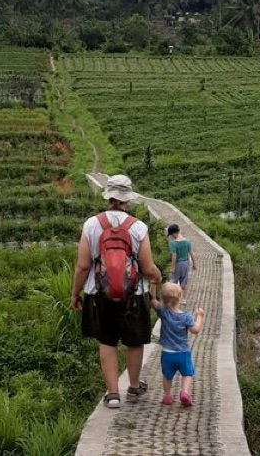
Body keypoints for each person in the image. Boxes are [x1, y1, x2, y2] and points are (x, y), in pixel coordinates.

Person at [71, 174, 162, 409]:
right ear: (127, 199)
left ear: (108, 196)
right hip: (134, 293)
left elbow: (83, 265)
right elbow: (146, 266)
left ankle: (112, 394)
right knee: (134, 341)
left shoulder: (91, 224)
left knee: (107, 341)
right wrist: (157, 276)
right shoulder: (138, 227)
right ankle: (133, 386)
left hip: (99, 293)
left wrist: (75, 293)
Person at [150, 282, 205, 407]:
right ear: (180, 298)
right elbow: (195, 330)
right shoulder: (186, 317)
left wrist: (153, 286)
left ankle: (167, 396)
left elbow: (153, 301)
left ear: (163, 299)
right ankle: (184, 392)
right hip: (183, 353)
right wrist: (200, 316)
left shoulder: (163, 312)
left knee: (167, 376)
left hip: (167, 353)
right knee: (187, 373)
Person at [166, 223, 196, 305]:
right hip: (186, 263)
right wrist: (194, 264)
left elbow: (174, 256)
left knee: (173, 281)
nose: (171, 236)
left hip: (178, 264)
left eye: (171, 235)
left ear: (173, 233)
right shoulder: (188, 241)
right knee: (184, 282)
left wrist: (172, 267)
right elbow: (191, 253)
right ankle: (183, 299)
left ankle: (173, 299)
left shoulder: (173, 243)